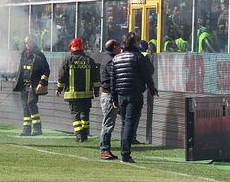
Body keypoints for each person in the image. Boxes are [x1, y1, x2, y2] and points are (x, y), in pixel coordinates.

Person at [110, 32, 158, 163]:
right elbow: (147, 75)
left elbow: (113, 81)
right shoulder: (138, 57)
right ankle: (125, 154)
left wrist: (113, 98)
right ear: (135, 43)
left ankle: (123, 151)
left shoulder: (116, 58)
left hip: (121, 95)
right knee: (130, 123)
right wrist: (152, 89)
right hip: (135, 94)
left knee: (125, 123)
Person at [56, 38, 99, 142]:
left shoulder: (68, 60)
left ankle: (79, 136)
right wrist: (96, 90)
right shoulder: (89, 60)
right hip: (87, 94)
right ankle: (85, 134)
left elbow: (62, 76)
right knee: (85, 114)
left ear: (71, 47)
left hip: (73, 94)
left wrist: (59, 88)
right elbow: (96, 77)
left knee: (76, 115)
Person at [13, 35, 50, 136]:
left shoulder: (39, 56)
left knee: (31, 104)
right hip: (24, 85)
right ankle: (26, 129)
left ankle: (37, 128)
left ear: (34, 43)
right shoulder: (23, 55)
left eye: (29, 42)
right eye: (25, 43)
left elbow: (46, 71)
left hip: (34, 86)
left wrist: (41, 83)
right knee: (25, 106)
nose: (27, 45)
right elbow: (21, 70)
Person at [99, 39, 121, 160]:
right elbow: (113, 79)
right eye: (118, 46)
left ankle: (106, 149)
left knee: (108, 123)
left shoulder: (107, 58)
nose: (120, 48)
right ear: (114, 48)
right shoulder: (110, 61)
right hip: (109, 96)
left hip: (107, 95)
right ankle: (104, 150)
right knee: (108, 124)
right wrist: (114, 98)